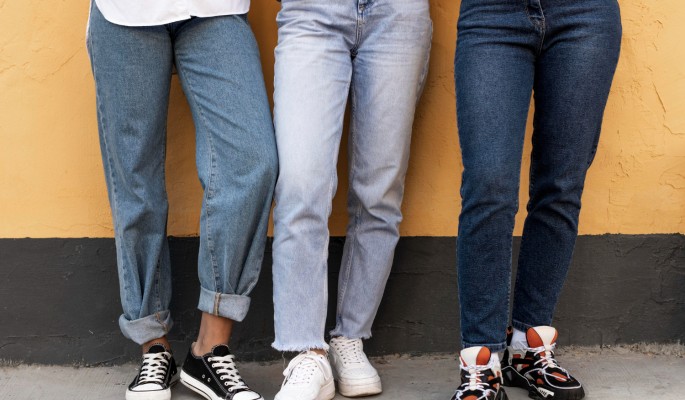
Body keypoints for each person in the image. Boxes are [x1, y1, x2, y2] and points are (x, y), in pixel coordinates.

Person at [86, 1, 277, 399]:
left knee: (251, 162)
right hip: (125, 13)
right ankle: (153, 346)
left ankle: (209, 349)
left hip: (215, 9)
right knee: (134, 182)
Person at [450, 1, 621, 399]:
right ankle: (482, 361)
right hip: (491, 15)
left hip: (585, 15)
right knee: (488, 184)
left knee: (561, 185)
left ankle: (529, 347)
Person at [270, 1, 432, 399]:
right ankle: (305, 351)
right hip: (312, 12)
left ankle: (350, 338)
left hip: (398, 14)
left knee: (379, 192)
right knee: (300, 184)